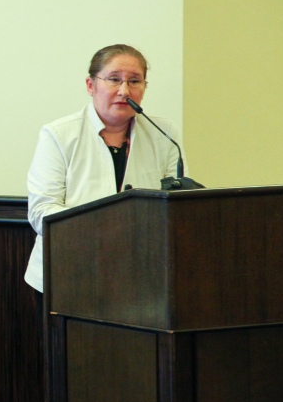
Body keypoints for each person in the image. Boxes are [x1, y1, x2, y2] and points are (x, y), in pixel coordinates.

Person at [25, 44, 185, 295]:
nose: (124, 91)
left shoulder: (164, 134)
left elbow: (176, 203)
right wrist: (103, 233)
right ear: (91, 85)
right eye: (114, 79)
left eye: (134, 81)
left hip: (142, 273)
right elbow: (41, 210)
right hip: (70, 271)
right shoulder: (58, 134)